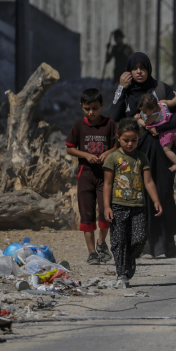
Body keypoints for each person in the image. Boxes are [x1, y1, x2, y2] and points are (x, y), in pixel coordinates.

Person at [110, 52, 176, 258]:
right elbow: (113, 117)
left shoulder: (161, 89)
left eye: (142, 68)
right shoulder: (125, 93)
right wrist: (120, 88)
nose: (138, 72)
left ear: (148, 69)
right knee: (138, 196)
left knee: (163, 193)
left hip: (161, 152)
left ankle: (166, 244)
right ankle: (139, 245)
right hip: (134, 154)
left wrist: (161, 127)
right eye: (134, 68)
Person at [102, 118, 163, 288]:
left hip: (138, 206)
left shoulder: (141, 158)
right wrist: (106, 206)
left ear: (138, 138)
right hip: (117, 205)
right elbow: (107, 183)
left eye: (134, 140)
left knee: (139, 239)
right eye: (126, 140)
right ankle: (122, 273)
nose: (130, 144)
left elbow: (148, 181)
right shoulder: (112, 158)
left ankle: (129, 260)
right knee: (119, 240)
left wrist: (156, 200)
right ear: (118, 138)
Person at [66, 88, 117, 265]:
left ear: (102, 105)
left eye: (95, 108)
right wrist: (85, 155)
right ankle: (92, 252)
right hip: (85, 175)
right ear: (82, 107)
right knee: (87, 215)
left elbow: (118, 146)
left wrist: (108, 153)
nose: (91, 112)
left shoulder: (110, 124)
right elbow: (70, 147)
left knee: (105, 212)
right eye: (87, 108)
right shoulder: (79, 126)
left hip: (105, 176)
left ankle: (101, 242)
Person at [136, 93, 176, 171]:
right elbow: (174, 101)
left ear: (153, 109)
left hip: (167, 134)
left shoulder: (153, 115)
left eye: (145, 112)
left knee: (167, 149)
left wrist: (138, 119)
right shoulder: (163, 102)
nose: (144, 113)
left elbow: (146, 124)